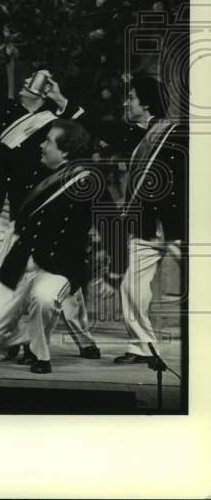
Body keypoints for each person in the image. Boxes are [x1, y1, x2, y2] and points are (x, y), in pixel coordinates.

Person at [0, 70, 101, 359]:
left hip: (48, 208)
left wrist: (59, 98)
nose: (24, 83)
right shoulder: (13, 114)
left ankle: (83, 340)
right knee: (28, 284)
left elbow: (87, 136)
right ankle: (19, 338)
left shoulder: (55, 124)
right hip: (19, 212)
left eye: (30, 82)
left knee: (58, 288)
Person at [106, 75, 185, 365]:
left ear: (147, 103)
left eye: (132, 97)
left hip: (178, 229)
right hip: (147, 229)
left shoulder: (176, 134)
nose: (126, 101)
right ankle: (143, 348)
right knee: (131, 287)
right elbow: (103, 129)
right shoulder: (143, 136)